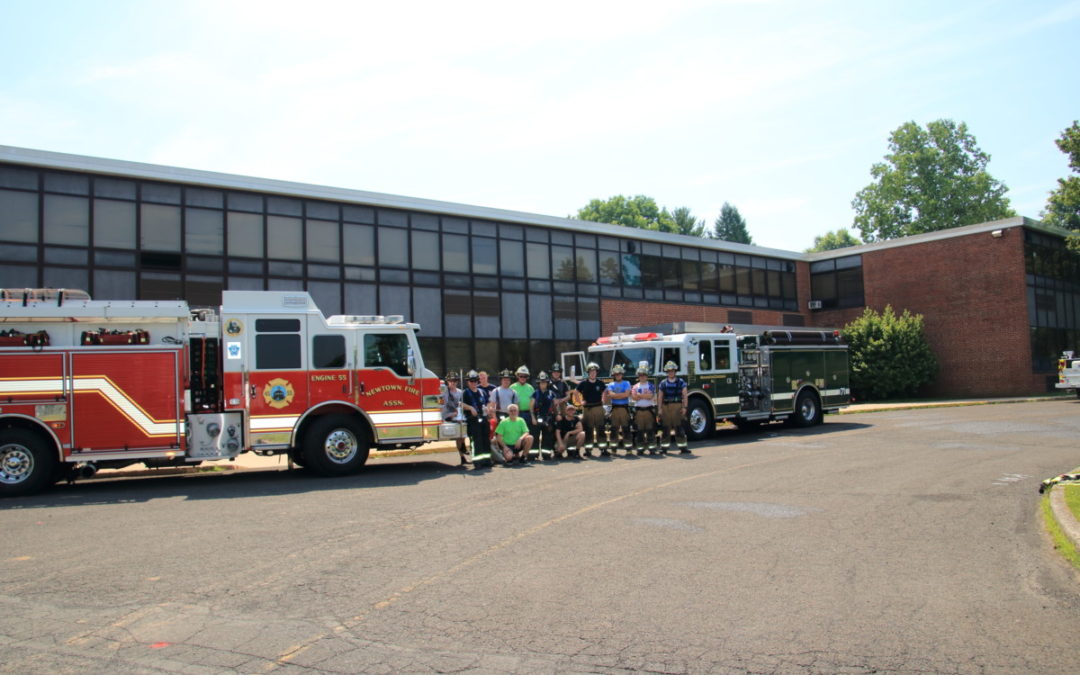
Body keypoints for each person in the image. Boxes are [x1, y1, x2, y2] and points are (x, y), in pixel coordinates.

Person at [658, 360, 690, 454]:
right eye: (669, 371)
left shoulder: (681, 382)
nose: (670, 372)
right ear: (667, 372)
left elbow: (685, 395)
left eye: (672, 371)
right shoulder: (663, 383)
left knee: (679, 427)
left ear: (675, 371)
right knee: (665, 428)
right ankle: (664, 448)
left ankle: (683, 447)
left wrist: (685, 407)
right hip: (666, 407)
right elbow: (660, 396)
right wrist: (659, 408)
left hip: (677, 406)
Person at [461, 370, 492, 465]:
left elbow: (487, 402)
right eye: (471, 381)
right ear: (468, 382)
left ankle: (486, 460)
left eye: (475, 381)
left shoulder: (482, 392)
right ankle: (477, 461)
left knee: (485, 439)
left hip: (483, 418)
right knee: (476, 441)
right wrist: (470, 408)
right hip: (473, 420)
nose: (474, 383)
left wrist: (488, 409)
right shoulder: (465, 392)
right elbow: (460, 404)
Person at [576, 362, 607, 456]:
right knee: (588, 429)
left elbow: (605, 390)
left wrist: (603, 398)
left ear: (597, 372)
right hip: (587, 409)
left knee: (600, 428)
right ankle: (588, 450)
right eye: (591, 372)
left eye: (594, 371)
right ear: (588, 373)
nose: (593, 373)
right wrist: (580, 402)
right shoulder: (583, 383)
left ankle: (603, 449)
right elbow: (575, 392)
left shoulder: (600, 383)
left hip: (598, 407)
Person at [440, 372, 469, 466]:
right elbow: (442, 405)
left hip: (459, 415)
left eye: (455, 381)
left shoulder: (461, 392)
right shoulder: (444, 392)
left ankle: (463, 447)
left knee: (464, 428)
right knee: (459, 435)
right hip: (448, 415)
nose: (453, 383)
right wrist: (452, 414)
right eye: (451, 381)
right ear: (447, 381)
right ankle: (462, 455)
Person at [603, 364, 632, 454]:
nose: (618, 375)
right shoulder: (611, 384)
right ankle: (614, 449)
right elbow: (610, 394)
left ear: (622, 374)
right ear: (614, 375)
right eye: (616, 374)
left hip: (624, 409)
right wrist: (621, 395)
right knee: (614, 429)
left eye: (619, 374)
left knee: (626, 428)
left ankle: (628, 449)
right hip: (614, 409)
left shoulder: (627, 383)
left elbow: (627, 395)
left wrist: (615, 395)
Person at [631, 365, 659, 455]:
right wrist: (644, 395)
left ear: (647, 376)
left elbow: (651, 396)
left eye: (644, 375)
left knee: (650, 429)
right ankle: (640, 449)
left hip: (649, 410)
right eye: (640, 375)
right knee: (639, 430)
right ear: (638, 376)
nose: (642, 376)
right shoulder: (635, 386)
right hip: (638, 411)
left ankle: (652, 448)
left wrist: (640, 395)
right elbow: (634, 397)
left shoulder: (651, 385)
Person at [530, 371, 558, 459]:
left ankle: (546, 454)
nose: (543, 384)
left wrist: (557, 415)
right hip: (537, 417)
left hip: (548, 418)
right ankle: (533, 455)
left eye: (545, 382)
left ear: (547, 383)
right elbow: (531, 407)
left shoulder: (551, 393)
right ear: (539, 383)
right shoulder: (535, 393)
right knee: (535, 436)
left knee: (548, 437)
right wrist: (533, 418)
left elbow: (555, 406)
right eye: (541, 382)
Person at [510, 365, 535, 429]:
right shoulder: (512, 387)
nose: (523, 378)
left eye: (525, 376)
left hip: (528, 414)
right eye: (521, 376)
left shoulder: (530, 388)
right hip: (516, 413)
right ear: (517, 376)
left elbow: (533, 401)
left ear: (527, 377)